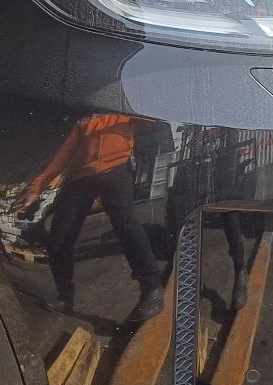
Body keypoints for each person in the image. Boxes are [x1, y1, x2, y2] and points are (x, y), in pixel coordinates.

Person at [14, 113, 165, 320]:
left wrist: (131, 111)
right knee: (60, 236)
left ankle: (152, 288)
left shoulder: (123, 114)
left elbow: (153, 120)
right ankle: (65, 296)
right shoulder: (85, 122)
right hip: (81, 177)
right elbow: (61, 157)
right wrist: (36, 187)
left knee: (126, 225)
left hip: (116, 169)